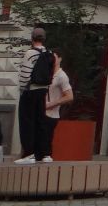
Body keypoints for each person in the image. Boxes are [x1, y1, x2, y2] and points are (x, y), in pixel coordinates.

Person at [15, 26, 51, 162]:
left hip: (30, 91)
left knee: (27, 122)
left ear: (32, 38)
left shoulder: (30, 53)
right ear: (44, 39)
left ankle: (29, 154)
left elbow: (25, 75)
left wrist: (22, 90)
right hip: (43, 90)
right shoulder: (48, 53)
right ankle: (44, 154)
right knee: (41, 121)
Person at [42, 53, 73, 163]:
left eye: (54, 57)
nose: (51, 59)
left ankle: (46, 161)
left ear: (60, 59)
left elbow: (69, 96)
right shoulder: (47, 73)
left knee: (46, 141)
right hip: (41, 113)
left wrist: (50, 104)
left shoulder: (61, 76)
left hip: (51, 114)